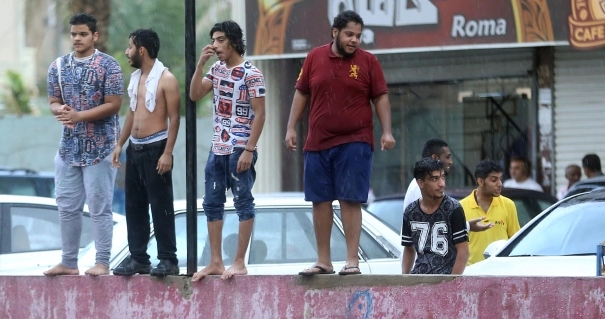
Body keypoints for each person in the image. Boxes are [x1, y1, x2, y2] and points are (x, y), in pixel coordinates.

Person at [284, 10, 395, 277]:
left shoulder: (368, 62)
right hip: (318, 142)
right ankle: (324, 261)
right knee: (320, 200)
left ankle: (352, 261)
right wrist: (290, 127)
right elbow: (302, 93)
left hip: (355, 141)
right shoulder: (314, 57)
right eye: (349, 34)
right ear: (335, 32)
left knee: (350, 199)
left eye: (358, 35)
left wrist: (387, 132)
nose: (354, 40)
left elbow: (380, 97)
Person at [44, 13, 123, 277]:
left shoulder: (109, 65)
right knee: (67, 207)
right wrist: (61, 111)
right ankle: (68, 262)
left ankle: (102, 262)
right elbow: (53, 101)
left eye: (83, 34)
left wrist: (80, 116)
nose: (77, 39)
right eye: (74, 34)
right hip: (68, 148)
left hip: (101, 147)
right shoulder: (58, 66)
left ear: (94, 36)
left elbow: (114, 104)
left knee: (100, 208)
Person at [189, 20, 266, 281]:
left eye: (220, 40)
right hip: (218, 147)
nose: (215, 45)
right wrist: (200, 65)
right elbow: (194, 94)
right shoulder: (216, 69)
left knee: (243, 200)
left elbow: (260, 114)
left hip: (240, 146)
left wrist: (249, 149)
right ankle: (216, 262)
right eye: (213, 40)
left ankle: (239, 261)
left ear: (233, 41)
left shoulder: (251, 73)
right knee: (212, 202)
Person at [111, 29, 181, 278]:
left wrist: (168, 153)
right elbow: (132, 112)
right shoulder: (136, 78)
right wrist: (120, 144)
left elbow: (175, 118)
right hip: (136, 148)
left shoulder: (166, 79)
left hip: (156, 148)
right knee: (134, 205)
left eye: (130, 47)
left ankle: (168, 259)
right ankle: (139, 258)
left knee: (161, 206)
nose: (127, 52)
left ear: (142, 50)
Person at [401, 158, 469, 275]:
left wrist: (452, 282)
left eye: (443, 177)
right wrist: (404, 279)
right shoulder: (410, 211)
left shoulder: (454, 208)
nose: (442, 184)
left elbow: (463, 252)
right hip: (418, 278)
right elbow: (409, 249)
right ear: (421, 183)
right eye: (434, 179)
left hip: (444, 279)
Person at [459, 160, 520, 265]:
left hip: (500, 269)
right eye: (494, 180)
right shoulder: (460, 207)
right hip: (471, 271)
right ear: (480, 182)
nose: (500, 184)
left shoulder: (508, 205)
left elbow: (515, 241)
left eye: (500, 179)